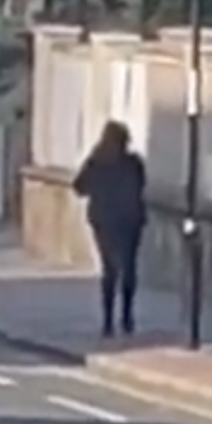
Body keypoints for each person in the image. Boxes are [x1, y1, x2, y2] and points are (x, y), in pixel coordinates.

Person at [73, 120, 147, 339]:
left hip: (104, 221)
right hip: (130, 221)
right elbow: (141, 185)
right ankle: (127, 317)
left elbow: (79, 187)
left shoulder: (97, 161)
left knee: (110, 270)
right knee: (129, 268)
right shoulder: (134, 163)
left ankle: (108, 322)